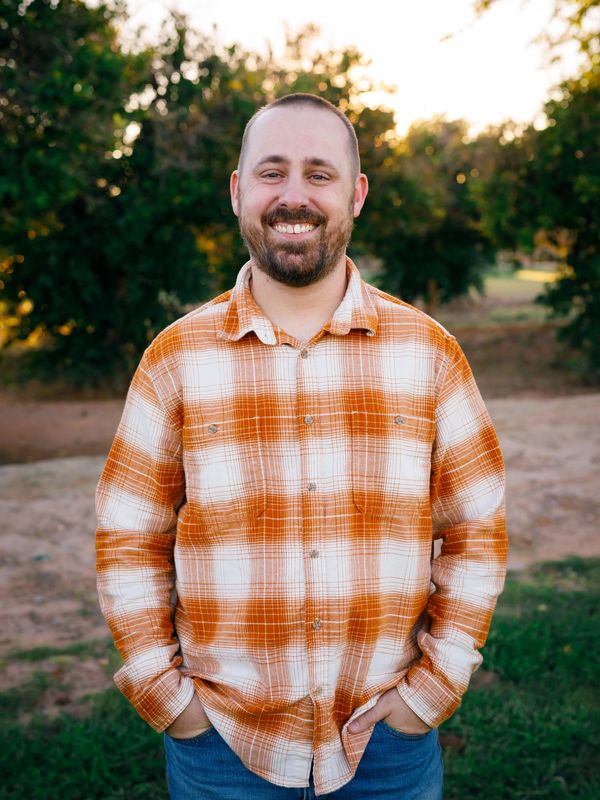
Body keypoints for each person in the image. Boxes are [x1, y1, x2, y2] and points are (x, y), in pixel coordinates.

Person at [96, 93, 508, 799]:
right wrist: (170, 698)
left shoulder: (430, 354)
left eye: (319, 174)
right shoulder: (174, 359)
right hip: (222, 745)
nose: (294, 196)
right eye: (272, 172)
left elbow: (477, 529)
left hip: (387, 745)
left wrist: (431, 690)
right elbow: (129, 536)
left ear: (356, 194)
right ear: (237, 191)